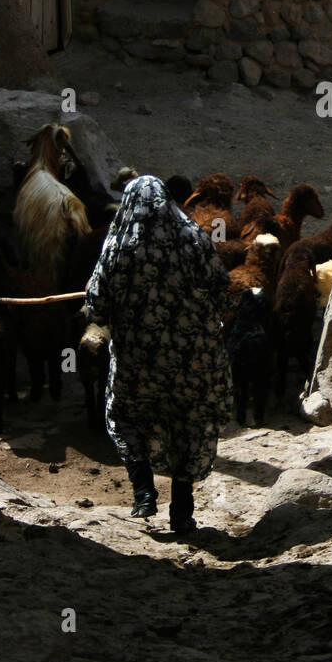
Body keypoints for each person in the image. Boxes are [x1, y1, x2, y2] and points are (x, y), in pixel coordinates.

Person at [84, 175, 231, 534]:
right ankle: (182, 511)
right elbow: (220, 288)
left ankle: (144, 494)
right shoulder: (194, 239)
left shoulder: (118, 246)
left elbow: (97, 306)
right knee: (187, 423)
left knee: (127, 416)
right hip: (189, 360)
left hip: (138, 361)